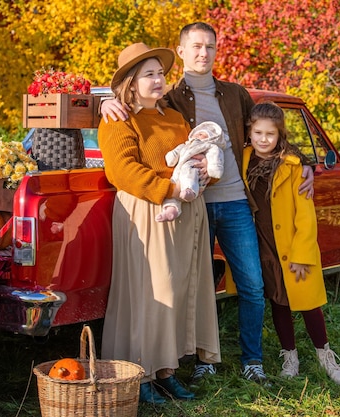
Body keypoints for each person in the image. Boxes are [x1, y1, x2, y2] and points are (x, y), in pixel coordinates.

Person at [101, 22, 315, 384]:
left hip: (226, 202)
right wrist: (106, 102)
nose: (204, 53)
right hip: (175, 206)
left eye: (211, 47)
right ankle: (188, 362)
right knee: (184, 287)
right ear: (182, 51)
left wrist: (302, 162)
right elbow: (128, 126)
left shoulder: (232, 95)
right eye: (196, 46)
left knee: (245, 284)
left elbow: (268, 132)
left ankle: (249, 360)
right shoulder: (169, 98)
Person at [98, 42, 221, 404]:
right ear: (131, 82)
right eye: (149, 74)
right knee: (153, 293)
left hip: (185, 210)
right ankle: (142, 373)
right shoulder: (119, 119)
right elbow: (123, 171)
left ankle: (167, 371)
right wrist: (172, 188)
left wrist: (202, 176)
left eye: (161, 74)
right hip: (147, 210)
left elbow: (196, 156)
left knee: (180, 291)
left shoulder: (174, 117)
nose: (158, 80)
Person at [242, 102, 340, 385]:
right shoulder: (242, 160)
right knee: (278, 302)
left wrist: (302, 254)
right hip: (263, 246)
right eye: (258, 133)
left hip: (293, 247)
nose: (263, 139)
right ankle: (290, 357)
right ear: (249, 132)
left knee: (308, 303)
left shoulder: (293, 167)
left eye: (270, 134)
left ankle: (325, 356)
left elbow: (306, 216)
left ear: (280, 136)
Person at [156, 121, 225, 222]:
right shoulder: (185, 145)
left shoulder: (209, 146)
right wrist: (171, 158)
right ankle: (171, 210)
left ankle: (190, 190)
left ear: (210, 138)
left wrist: (213, 169)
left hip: (195, 167)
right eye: (197, 133)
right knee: (173, 184)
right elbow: (176, 152)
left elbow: (215, 155)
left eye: (202, 134)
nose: (198, 135)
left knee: (190, 173)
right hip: (178, 170)